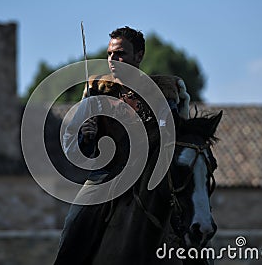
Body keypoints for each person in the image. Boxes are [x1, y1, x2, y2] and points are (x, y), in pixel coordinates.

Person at [54, 26, 189, 264]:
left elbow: (176, 136)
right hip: (108, 175)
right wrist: (87, 136)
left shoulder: (163, 92)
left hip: (152, 175)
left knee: (192, 220)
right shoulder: (96, 91)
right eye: (109, 54)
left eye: (120, 54)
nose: (113, 60)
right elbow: (77, 149)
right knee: (75, 220)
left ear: (139, 56)